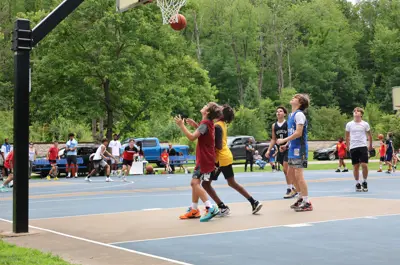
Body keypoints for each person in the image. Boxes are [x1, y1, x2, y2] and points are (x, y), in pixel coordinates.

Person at [186, 104, 262, 216]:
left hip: (219, 159)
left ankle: (221, 207)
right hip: (226, 157)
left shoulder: (216, 126)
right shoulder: (221, 125)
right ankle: (253, 202)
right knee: (232, 183)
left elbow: (216, 144)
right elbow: (206, 136)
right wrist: (197, 126)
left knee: (205, 184)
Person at [174, 102, 221, 222]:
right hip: (206, 158)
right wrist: (196, 125)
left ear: (207, 112)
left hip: (204, 159)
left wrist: (181, 125)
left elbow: (191, 137)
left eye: (206, 106)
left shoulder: (205, 124)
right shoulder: (206, 123)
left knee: (194, 183)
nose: (203, 106)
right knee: (195, 183)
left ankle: (210, 207)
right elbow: (204, 134)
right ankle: (194, 209)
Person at [277, 94, 312, 212]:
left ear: (300, 103)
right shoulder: (291, 116)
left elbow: (298, 133)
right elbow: (293, 133)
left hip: (300, 148)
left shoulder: (299, 115)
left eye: (295, 97)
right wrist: (286, 145)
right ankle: (301, 197)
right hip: (292, 148)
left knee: (299, 175)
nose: (292, 98)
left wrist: (284, 140)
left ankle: (307, 201)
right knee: (289, 173)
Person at [266, 106, 296, 199]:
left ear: (284, 113)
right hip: (280, 150)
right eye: (277, 111)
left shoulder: (288, 123)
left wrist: (286, 145)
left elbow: (291, 136)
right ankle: (292, 188)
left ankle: (290, 189)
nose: (278, 113)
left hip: (288, 148)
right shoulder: (274, 125)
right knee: (286, 171)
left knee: (286, 169)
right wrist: (268, 150)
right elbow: (273, 139)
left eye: (280, 111)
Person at [345, 107, 373, 192]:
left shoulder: (365, 124)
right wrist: (347, 146)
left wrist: (370, 145)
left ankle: (364, 181)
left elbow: (369, 135)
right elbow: (347, 136)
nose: (356, 112)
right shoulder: (349, 124)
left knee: (364, 165)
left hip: (363, 146)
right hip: (353, 147)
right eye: (354, 111)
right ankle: (357, 183)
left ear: (361, 114)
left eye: (358, 111)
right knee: (356, 166)